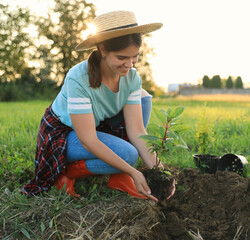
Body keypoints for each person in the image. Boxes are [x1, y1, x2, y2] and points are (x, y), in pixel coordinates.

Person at [22, 10, 175, 201]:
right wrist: (133, 172)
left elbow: (137, 131)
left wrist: (161, 173)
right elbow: (88, 140)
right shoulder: (78, 79)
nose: (129, 64)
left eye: (134, 56)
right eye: (121, 58)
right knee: (128, 155)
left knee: (143, 98)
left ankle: (119, 176)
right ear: (102, 49)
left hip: (96, 125)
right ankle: (64, 172)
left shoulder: (132, 77)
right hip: (64, 134)